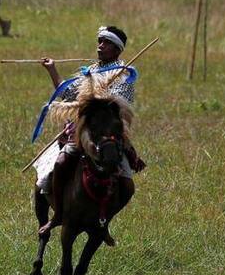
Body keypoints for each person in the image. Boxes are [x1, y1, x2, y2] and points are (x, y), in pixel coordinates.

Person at [35, 26, 146, 245]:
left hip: (108, 132)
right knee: (61, 162)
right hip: (84, 129)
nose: (100, 45)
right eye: (99, 41)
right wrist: (52, 70)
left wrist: (96, 98)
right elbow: (66, 94)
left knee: (127, 185)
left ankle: (104, 223)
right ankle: (58, 215)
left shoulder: (124, 74)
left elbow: (118, 105)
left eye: (106, 42)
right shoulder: (90, 70)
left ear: (117, 49)